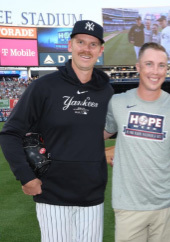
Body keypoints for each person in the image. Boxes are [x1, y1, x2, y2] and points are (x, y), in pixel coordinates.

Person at [0, 20, 114, 242]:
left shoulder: (106, 92)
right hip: (52, 194)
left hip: (92, 195)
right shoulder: (44, 87)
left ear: (100, 50)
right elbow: (10, 133)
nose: (86, 49)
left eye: (93, 44)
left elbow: (108, 129)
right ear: (70, 45)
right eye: (80, 42)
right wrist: (25, 177)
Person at [104, 42, 170, 242]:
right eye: (149, 64)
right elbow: (96, 136)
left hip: (167, 204)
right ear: (138, 67)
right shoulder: (118, 102)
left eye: (161, 65)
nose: (155, 71)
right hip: (128, 205)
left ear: (167, 69)